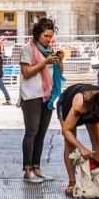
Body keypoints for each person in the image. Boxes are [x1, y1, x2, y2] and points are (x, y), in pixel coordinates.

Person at [19, 17, 65, 184]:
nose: (49, 39)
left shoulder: (49, 51)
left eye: (50, 36)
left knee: (41, 133)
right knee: (31, 132)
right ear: (38, 34)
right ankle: (27, 169)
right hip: (31, 95)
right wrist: (45, 62)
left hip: (47, 95)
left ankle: (37, 167)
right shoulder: (27, 49)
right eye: (46, 36)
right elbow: (26, 73)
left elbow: (59, 71)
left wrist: (60, 60)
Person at [58, 82, 99, 196]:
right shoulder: (81, 104)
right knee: (70, 145)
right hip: (67, 104)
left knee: (98, 142)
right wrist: (81, 148)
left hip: (93, 108)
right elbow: (66, 131)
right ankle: (72, 182)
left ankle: (97, 179)